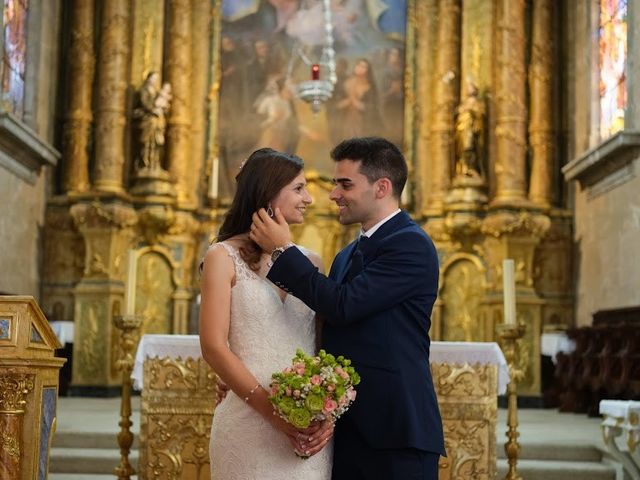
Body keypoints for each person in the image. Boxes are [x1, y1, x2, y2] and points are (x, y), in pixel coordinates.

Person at [250, 136, 445, 479]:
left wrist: (282, 250)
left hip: (394, 429)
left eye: (345, 184)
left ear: (381, 187)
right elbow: (323, 327)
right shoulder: (346, 254)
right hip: (347, 427)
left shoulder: (411, 244)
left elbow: (343, 305)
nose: (333, 194)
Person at [199, 148, 334, 479]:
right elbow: (213, 346)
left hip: (307, 428)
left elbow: (324, 346)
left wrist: (329, 410)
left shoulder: (312, 261)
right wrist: (275, 415)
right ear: (269, 192)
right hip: (248, 422)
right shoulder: (222, 256)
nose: (310, 199)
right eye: (299, 189)